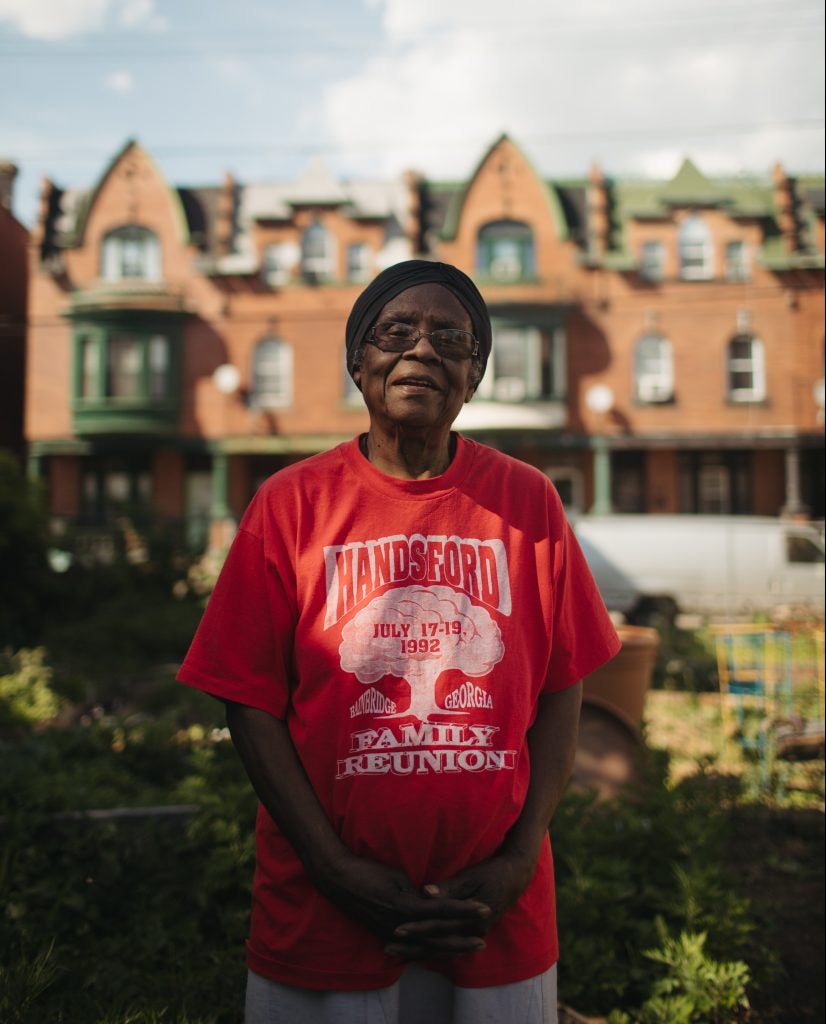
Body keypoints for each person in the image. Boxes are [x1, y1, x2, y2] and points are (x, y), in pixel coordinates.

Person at [178, 259, 620, 1024]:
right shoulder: (289, 506)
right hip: (322, 913)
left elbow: (561, 684)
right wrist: (333, 866)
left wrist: (519, 859)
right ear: (359, 361)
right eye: (396, 332)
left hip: (494, 916)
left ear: (474, 375)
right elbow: (249, 704)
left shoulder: (528, 502)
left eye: (451, 338)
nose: (422, 350)